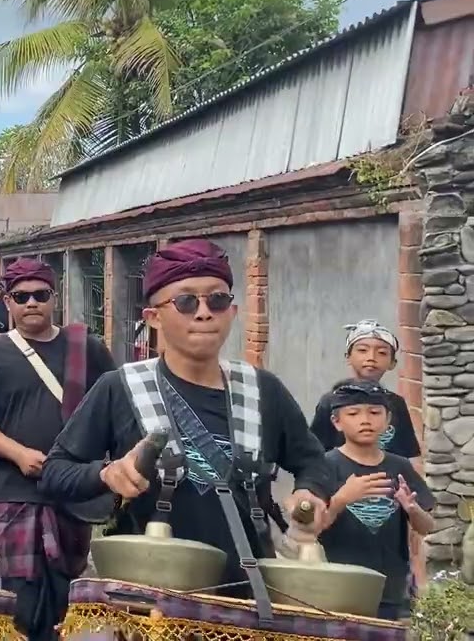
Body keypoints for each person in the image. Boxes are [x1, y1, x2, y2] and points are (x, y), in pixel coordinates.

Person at [40, 239, 333, 604]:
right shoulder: (121, 387)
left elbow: (313, 460)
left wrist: (310, 492)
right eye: (186, 301)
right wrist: (107, 474)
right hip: (149, 602)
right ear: (153, 318)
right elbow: (55, 473)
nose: (204, 313)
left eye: (217, 300)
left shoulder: (262, 390)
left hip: (245, 603)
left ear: (233, 311)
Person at [0, 258, 115, 640]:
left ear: (54, 299)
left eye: (40, 295)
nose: (32, 303)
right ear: (8, 302)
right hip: (15, 493)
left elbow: (113, 407)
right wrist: (16, 453)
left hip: (72, 492)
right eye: (21, 296)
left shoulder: (86, 348)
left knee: (66, 596)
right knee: (21, 599)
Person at [315, 380, 434, 621]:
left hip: (391, 588)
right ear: (336, 422)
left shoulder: (399, 466)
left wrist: (412, 509)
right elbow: (309, 530)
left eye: (374, 412)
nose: (365, 420)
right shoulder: (324, 466)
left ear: (387, 420)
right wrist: (341, 500)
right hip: (339, 586)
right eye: (353, 413)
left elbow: (427, 527)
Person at [310, 320, 420, 458]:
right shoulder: (331, 401)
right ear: (348, 357)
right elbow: (315, 454)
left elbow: (405, 455)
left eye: (381, 353)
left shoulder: (396, 403)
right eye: (362, 350)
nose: (371, 358)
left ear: (393, 363)